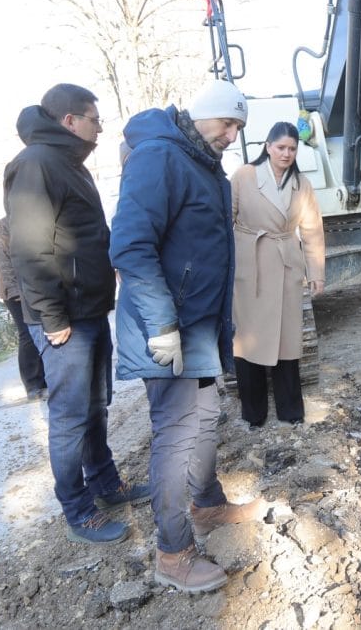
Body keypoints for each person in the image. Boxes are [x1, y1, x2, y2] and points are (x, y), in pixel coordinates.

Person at [110, 78, 265, 594]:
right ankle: (172, 553)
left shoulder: (201, 164)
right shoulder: (161, 158)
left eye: (239, 127)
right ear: (203, 115)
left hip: (196, 327)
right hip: (168, 332)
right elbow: (130, 246)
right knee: (177, 437)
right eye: (228, 123)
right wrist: (161, 324)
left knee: (203, 419)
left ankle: (208, 504)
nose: (232, 134)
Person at [3, 83, 150, 546]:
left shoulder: (67, 163)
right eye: (94, 118)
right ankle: (78, 508)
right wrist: (51, 317)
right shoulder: (36, 165)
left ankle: (106, 485)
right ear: (70, 121)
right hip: (64, 318)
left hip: (87, 310)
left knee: (94, 406)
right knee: (68, 417)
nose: (100, 128)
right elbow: (29, 249)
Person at [230, 122, 325, 428]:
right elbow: (224, 219)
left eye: (292, 149)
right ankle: (254, 414)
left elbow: (311, 229)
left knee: (287, 340)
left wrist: (316, 271)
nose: (286, 154)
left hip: (286, 263)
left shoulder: (301, 184)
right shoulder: (244, 176)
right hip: (250, 264)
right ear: (267, 146)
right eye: (281, 147)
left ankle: (291, 411)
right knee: (247, 340)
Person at [0, 216, 47, 400]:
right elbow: (2, 265)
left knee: (45, 332)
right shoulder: (4, 226)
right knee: (27, 335)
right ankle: (32, 384)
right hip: (15, 293)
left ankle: (47, 379)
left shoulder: (33, 218)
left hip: (35, 289)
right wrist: (16, 293)